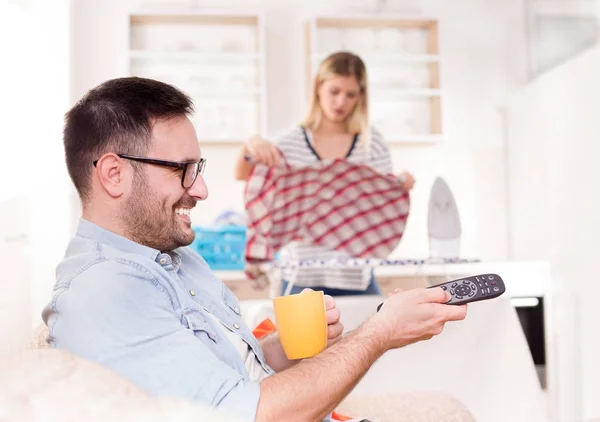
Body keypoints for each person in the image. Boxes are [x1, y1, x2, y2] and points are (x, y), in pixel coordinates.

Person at [43, 76, 467, 422]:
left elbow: (224, 372)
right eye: (183, 171)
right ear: (113, 174)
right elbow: (252, 414)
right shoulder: (104, 292)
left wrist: (283, 348)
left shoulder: (177, 258)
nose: (202, 189)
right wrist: (379, 333)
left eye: (199, 169)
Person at [234, 51, 415, 297]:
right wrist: (250, 144)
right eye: (334, 91)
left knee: (375, 332)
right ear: (319, 87)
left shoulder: (371, 144)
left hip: (356, 276)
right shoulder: (291, 142)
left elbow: (376, 203)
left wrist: (399, 184)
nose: (341, 102)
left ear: (361, 96)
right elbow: (247, 177)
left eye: (350, 94)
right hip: (300, 277)